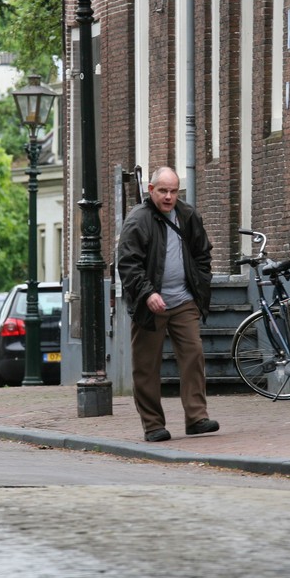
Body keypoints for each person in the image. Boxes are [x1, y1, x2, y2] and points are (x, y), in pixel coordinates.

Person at [117, 167, 220, 442]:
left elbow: (202, 253)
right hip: (150, 304)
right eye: (163, 191)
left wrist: (200, 285)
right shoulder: (138, 220)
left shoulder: (188, 215)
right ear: (151, 190)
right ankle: (153, 425)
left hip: (184, 300)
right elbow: (128, 263)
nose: (168, 197)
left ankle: (197, 418)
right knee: (146, 366)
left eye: (173, 191)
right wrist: (148, 294)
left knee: (193, 355)